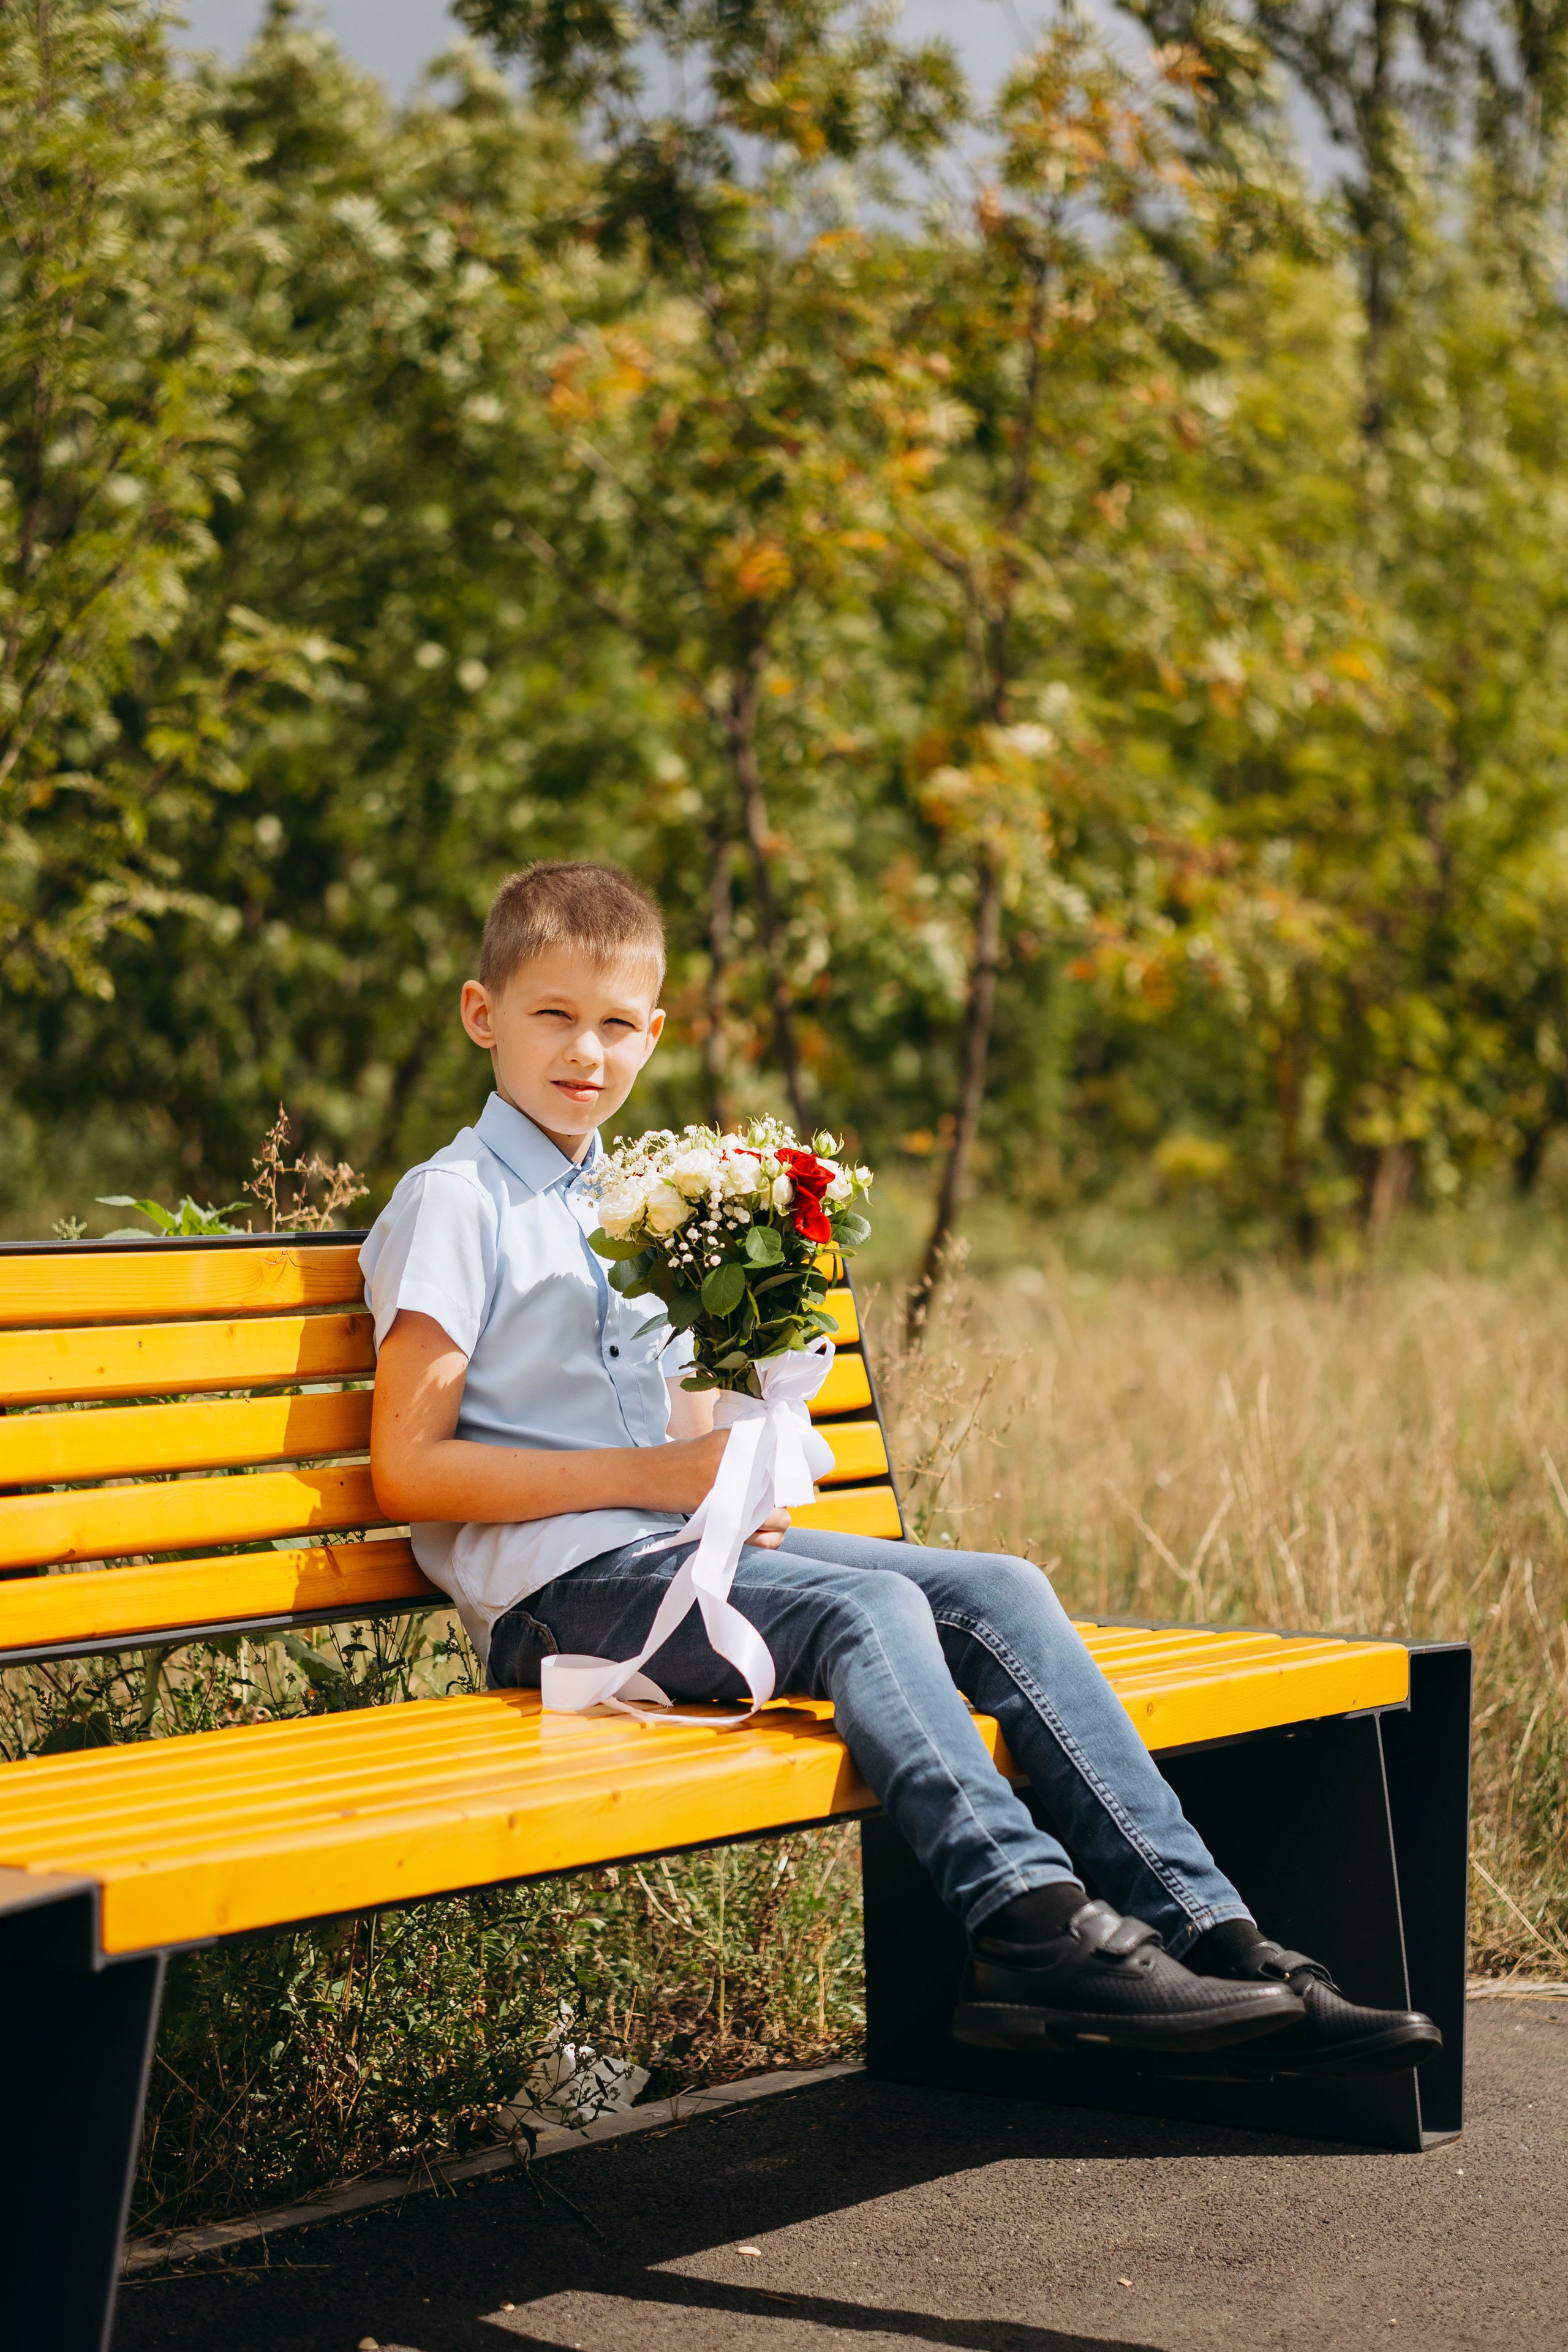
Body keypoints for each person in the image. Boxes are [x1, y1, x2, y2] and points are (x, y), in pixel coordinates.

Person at [363, 860, 1441, 2076]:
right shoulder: (456, 1202)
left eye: (616, 1025)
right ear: (481, 1014)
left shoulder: (619, 1202)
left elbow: (655, 1428)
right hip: (556, 1604)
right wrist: (662, 1485)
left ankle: (1217, 1938)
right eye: (553, 1016)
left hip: (660, 1558)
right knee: (868, 1607)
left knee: (1000, 1587)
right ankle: (1030, 1927)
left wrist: (732, 1455)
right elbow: (408, 1470)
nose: (586, 1053)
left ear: (655, 1033)